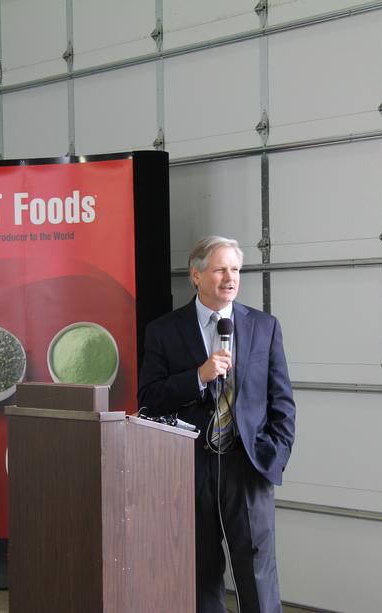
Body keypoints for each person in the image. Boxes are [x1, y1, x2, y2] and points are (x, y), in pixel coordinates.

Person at [138, 235, 296, 613]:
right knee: (199, 568)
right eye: (221, 269)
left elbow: (282, 401)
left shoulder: (263, 326)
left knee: (257, 567)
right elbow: (150, 397)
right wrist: (198, 376)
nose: (231, 277)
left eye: (236, 269)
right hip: (190, 466)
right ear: (196, 275)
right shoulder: (164, 330)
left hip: (247, 463)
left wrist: (275, 455)